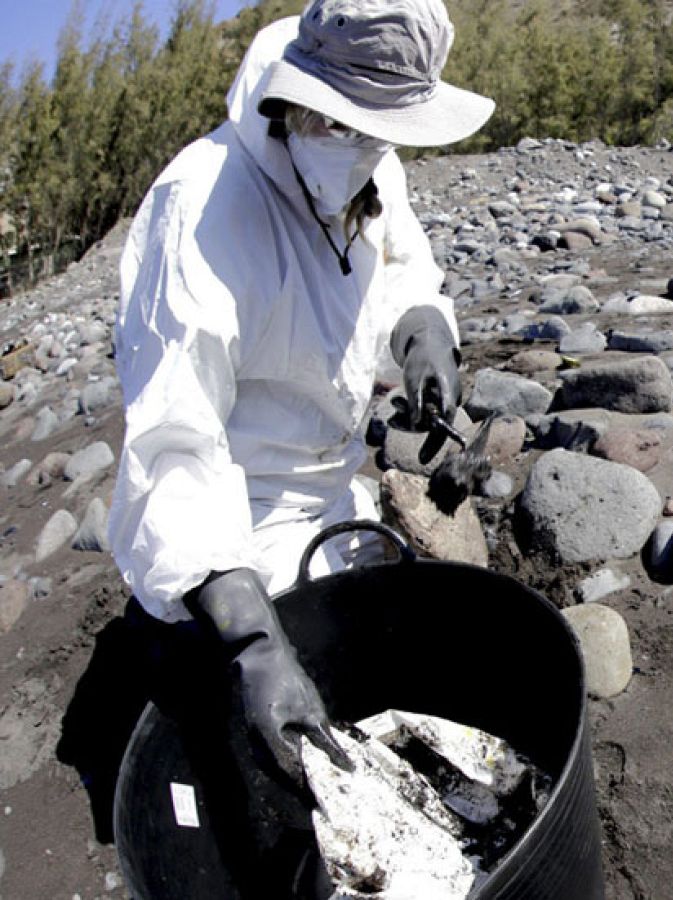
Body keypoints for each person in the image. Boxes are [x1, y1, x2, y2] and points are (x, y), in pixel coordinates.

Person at [108, 0, 493, 782]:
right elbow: (174, 445)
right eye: (351, 126)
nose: (371, 150)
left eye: (382, 131)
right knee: (287, 751)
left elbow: (399, 262)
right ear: (297, 100)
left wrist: (422, 332)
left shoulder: (362, 156)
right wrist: (253, 641)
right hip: (230, 533)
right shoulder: (204, 211)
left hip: (329, 490)